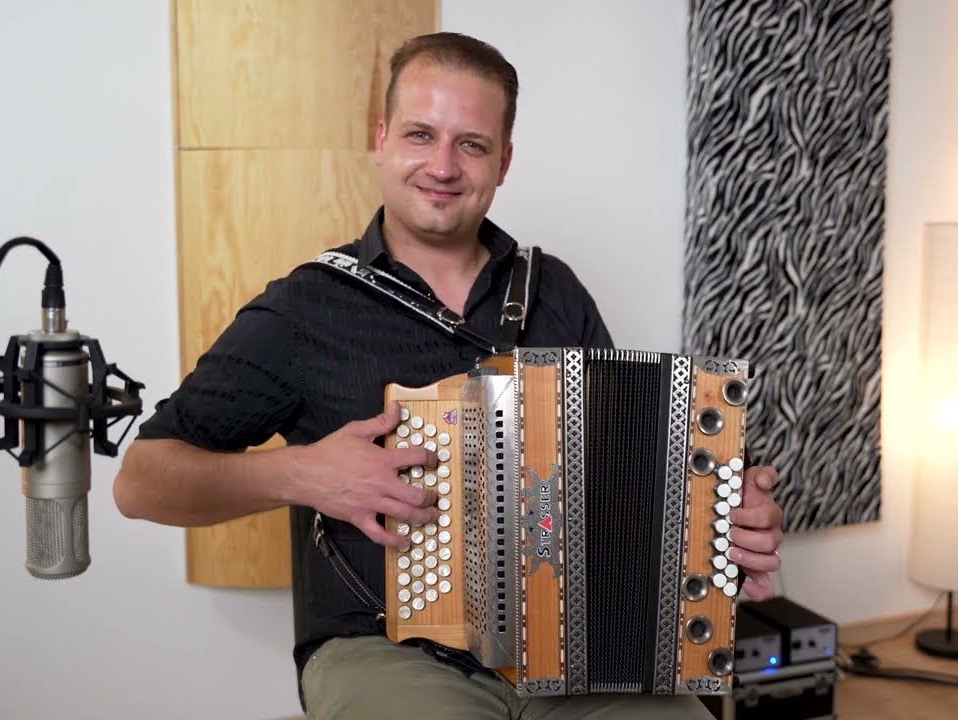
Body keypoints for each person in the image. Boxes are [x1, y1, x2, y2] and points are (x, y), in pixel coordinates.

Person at [113, 31, 783, 719]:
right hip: (385, 650)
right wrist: (304, 474)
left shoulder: (555, 292)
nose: (442, 165)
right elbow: (141, 480)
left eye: (471, 143)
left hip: (574, 647)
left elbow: (629, 470)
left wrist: (721, 515)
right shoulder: (305, 306)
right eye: (419, 134)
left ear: (504, 161)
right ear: (381, 139)